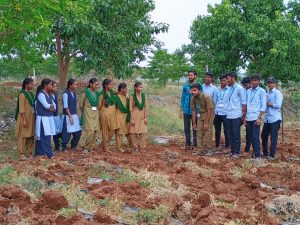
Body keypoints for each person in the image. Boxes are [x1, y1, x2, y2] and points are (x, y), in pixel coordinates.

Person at [245, 74, 266, 159]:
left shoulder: (262, 91)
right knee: (249, 136)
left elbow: (263, 106)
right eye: (252, 80)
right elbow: (247, 105)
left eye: (255, 80)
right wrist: (245, 118)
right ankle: (254, 153)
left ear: (259, 81)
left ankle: (257, 156)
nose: (254, 82)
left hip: (256, 117)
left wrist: (259, 117)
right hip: (249, 117)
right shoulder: (248, 91)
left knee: (255, 136)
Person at [226, 72, 246, 159]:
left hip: (236, 115)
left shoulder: (239, 88)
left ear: (233, 78)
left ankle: (237, 152)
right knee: (230, 134)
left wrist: (243, 116)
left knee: (236, 134)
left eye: (228, 79)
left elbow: (244, 103)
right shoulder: (229, 89)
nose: (227, 80)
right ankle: (232, 150)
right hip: (229, 114)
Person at [261, 77, 283, 160]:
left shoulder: (277, 93)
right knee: (264, 136)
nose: (270, 84)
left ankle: (272, 155)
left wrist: (268, 104)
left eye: (271, 83)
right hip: (267, 118)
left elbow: (278, 105)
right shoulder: (267, 93)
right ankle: (265, 153)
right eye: (269, 82)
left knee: (273, 137)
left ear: (275, 83)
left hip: (275, 118)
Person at [35, 79, 56, 159]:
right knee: (44, 136)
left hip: (48, 117)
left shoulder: (48, 94)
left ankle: (39, 153)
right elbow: (46, 105)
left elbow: (54, 106)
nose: (51, 87)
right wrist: (50, 107)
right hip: (43, 118)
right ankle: (49, 154)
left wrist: (50, 107)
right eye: (50, 85)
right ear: (45, 85)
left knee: (45, 135)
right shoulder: (41, 94)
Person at [191, 83, 214, 156]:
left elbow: (210, 110)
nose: (193, 92)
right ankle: (200, 149)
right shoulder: (193, 98)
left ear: (200, 90)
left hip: (209, 114)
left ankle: (210, 149)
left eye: (195, 90)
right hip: (200, 114)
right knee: (199, 132)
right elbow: (194, 111)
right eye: (192, 90)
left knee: (207, 131)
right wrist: (194, 123)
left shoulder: (206, 96)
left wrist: (206, 123)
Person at [15, 78, 35, 159]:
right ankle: (21, 154)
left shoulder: (31, 94)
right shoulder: (22, 94)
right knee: (23, 136)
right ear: (26, 85)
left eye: (33, 84)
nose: (33, 85)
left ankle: (29, 152)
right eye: (31, 84)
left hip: (31, 118)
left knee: (31, 135)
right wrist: (24, 120)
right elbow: (21, 109)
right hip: (24, 118)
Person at [98, 78, 120, 152]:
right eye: (110, 85)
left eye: (111, 84)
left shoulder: (111, 92)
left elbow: (118, 93)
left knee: (113, 129)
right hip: (105, 113)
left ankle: (103, 145)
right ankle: (106, 148)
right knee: (105, 131)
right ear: (105, 85)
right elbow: (99, 106)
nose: (111, 86)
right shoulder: (102, 94)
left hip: (113, 114)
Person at [79, 78, 100, 152]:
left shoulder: (97, 93)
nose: (97, 86)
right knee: (90, 131)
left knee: (95, 131)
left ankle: (91, 147)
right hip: (88, 113)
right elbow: (81, 105)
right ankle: (86, 147)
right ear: (91, 84)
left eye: (97, 84)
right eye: (95, 84)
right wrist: (85, 111)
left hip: (95, 113)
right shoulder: (85, 92)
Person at [61, 79, 82, 151]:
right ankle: (63, 147)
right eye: (75, 84)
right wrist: (70, 116)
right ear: (70, 85)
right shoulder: (65, 94)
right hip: (67, 116)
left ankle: (74, 145)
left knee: (78, 131)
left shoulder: (74, 93)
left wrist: (76, 116)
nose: (76, 86)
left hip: (74, 115)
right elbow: (66, 106)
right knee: (67, 132)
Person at [180, 70, 197, 150]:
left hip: (195, 111)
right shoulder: (185, 86)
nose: (190, 77)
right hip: (186, 110)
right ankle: (188, 143)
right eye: (189, 75)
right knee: (186, 128)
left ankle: (195, 144)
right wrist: (181, 109)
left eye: (191, 75)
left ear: (195, 76)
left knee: (195, 127)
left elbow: (201, 98)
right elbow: (183, 98)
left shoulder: (198, 85)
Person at [129, 81, 148, 152]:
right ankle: (135, 146)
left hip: (142, 117)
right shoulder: (132, 96)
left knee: (143, 132)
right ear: (135, 88)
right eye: (140, 87)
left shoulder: (144, 96)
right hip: (134, 116)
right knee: (133, 132)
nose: (141, 88)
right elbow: (130, 109)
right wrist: (132, 119)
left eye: (142, 87)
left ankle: (142, 147)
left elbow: (146, 108)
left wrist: (145, 118)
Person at [213, 74, 230, 150]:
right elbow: (215, 101)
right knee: (217, 130)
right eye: (221, 81)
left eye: (224, 80)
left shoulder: (230, 90)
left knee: (227, 131)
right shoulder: (217, 90)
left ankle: (227, 145)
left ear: (227, 81)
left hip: (226, 113)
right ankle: (217, 145)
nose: (222, 82)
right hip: (217, 113)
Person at [115, 83, 132, 152]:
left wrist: (128, 98)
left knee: (128, 132)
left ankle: (131, 145)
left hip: (126, 117)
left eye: (126, 89)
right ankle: (119, 148)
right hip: (119, 117)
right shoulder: (116, 97)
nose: (126, 90)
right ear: (121, 89)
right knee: (119, 133)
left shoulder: (126, 96)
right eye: (125, 89)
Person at [241, 76, 252, 154]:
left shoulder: (253, 92)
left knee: (250, 133)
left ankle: (247, 149)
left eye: (246, 85)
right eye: (244, 85)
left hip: (251, 116)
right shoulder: (245, 91)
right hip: (243, 114)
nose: (245, 87)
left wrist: (245, 117)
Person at [50, 81, 62, 151]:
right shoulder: (47, 95)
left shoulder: (56, 94)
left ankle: (57, 146)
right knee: (52, 131)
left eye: (56, 86)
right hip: (50, 116)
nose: (55, 88)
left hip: (56, 115)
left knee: (58, 131)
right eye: (54, 86)